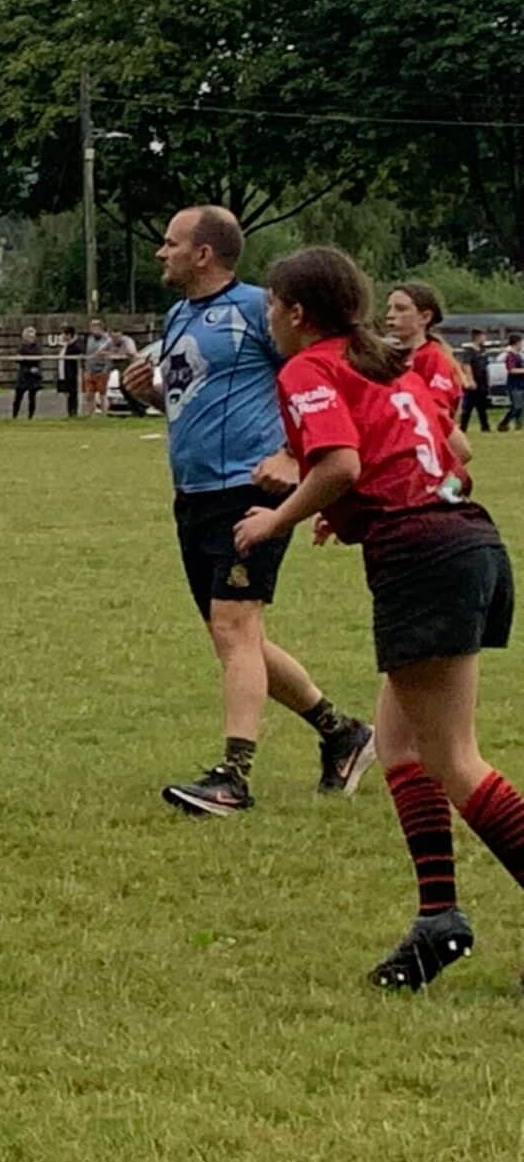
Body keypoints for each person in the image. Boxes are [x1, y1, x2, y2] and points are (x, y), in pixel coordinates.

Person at [231, 246, 517, 991]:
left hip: (425, 557)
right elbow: (450, 453)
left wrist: (279, 518)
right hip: (464, 542)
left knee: (455, 758)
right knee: (399, 749)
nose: (269, 319)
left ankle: (441, 919)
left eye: (272, 308)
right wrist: (352, 515)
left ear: (296, 313)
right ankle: (438, 922)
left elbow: (341, 467)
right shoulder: (386, 363)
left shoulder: (310, 367)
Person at [119, 206, 373, 816]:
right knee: (234, 634)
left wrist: (291, 453)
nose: (161, 253)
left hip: (248, 493)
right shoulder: (180, 314)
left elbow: (320, 381)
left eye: (171, 242)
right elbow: (198, 399)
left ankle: (233, 778)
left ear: (204, 254)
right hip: (195, 495)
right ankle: (343, 733)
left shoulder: (263, 309)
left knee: (235, 629)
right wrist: (151, 396)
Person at [384, 281, 463, 423]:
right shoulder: (389, 357)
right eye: (389, 309)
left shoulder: (434, 358)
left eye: (401, 309)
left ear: (425, 317)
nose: (390, 315)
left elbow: (440, 413)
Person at [458, 327, 496, 435]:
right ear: (477, 337)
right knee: (468, 406)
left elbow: (486, 366)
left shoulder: (483, 350)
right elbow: (466, 365)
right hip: (474, 380)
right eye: (483, 336)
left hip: (482, 381)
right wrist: (470, 379)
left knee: (482, 406)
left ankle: (485, 427)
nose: (485, 338)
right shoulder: (469, 351)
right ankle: (463, 428)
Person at [80, 320, 113, 417]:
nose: (94, 330)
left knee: (102, 394)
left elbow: (110, 355)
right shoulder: (89, 339)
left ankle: (104, 414)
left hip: (102, 370)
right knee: (89, 394)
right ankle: (91, 414)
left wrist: (106, 370)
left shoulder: (107, 340)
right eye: (92, 327)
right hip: (89, 370)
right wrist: (86, 369)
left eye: (96, 327)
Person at [11, 326, 45, 419]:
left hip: (33, 375)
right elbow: (18, 358)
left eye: (31, 336)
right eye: (27, 336)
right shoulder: (21, 346)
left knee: (32, 398)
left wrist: (25, 359)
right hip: (23, 374)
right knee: (18, 397)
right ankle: (14, 416)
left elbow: (38, 357)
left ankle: (30, 417)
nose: (29, 338)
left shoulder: (37, 347)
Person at [59, 325, 86, 418]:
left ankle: (74, 413)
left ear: (69, 335)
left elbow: (80, 351)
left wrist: (70, 344)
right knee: (68, 394)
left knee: (73, 394)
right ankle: (70, 413)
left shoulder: (76, 344)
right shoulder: (65, 345)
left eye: (64, 334)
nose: (63, 337)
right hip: (64, 373)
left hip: (73, 374)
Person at [505, 334, 524, 433]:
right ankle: (503, 424)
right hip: (514, 386)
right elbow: (511, 370)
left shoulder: (518, 355)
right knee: (516, 407)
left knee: (520, 408)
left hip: (521, 384)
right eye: (521, 342)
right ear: (517, 342)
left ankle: (519, 426)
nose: (522, 344)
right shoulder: (510, 355)